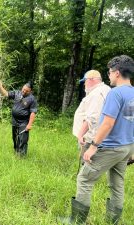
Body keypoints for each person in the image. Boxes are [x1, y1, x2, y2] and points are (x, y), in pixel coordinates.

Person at [59, 55, 134, 225]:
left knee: (85, 179)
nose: (108, 75)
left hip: (111, 147)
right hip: (126, 147)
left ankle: (76, 221)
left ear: (117, 73)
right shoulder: (133, 93)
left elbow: (107, 123)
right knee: (117, 184)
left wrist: (93, 146)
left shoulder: (116, 93)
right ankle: (111, 222)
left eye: (109, 72)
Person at [73, 70, 111, 163]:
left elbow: (92, 117)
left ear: (91, 80)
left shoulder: (98, 93)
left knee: (86, 164)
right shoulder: (103, 90)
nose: (84, 84)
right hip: (94, 135)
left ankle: (83, 177)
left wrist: (81, 134)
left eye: (85, 81)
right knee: (90, 164)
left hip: (90, 137)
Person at [0, 81, 38, 156]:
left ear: (31, 91)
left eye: (26, 91)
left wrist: (29, 125)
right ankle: (16, 152)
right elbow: (6, 94)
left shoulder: (32, 99)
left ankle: (21, 155)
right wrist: (0, 87)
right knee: (15, 138)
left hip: (24, 122)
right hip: (14, 121)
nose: (24, 91)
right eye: (23, 89)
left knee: (22, 139)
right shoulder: (17, 93)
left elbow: (33, 113)